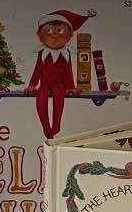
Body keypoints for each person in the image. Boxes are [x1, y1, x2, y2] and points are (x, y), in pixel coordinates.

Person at [26, 8, 91, 140]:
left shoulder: (65, 54)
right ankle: (46, 127)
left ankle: (56, 125)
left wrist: (71, 87)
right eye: (49, 30)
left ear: (70, 35)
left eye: (60, 30)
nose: (54, 35)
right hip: (44, 84)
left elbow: (68, 71)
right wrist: (32, 84)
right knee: (41, 98)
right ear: (39, 34)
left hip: (59, 85)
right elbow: (37, 70)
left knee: (59, 94)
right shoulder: (42, 53)